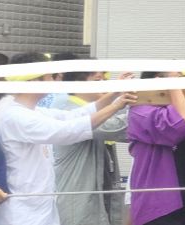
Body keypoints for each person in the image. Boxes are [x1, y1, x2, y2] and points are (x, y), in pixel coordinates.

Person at [0, 52, 132, 225]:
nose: (54, 81)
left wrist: (114, 93)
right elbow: (65, 131)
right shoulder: (14, 115)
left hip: (39, 205)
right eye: (50, 77)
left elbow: (74, 115)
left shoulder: (31, 110)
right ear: (34, 81)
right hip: (21, 211)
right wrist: (116, 105)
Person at [128, 71, 185, 225]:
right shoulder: (140, 111)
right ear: (158, 81)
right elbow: (180, 124)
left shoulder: (183, 112)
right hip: (157, 203)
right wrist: (173, 82)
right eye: (179, 80)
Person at [52, 69, 132, 225]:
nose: (103, 85)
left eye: (104, 80)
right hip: (78, 196)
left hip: (100, 190)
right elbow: (110, 127)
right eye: (97, 81)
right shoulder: (67, 108)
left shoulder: (95, 108)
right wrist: (143, 112)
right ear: (78, 85)